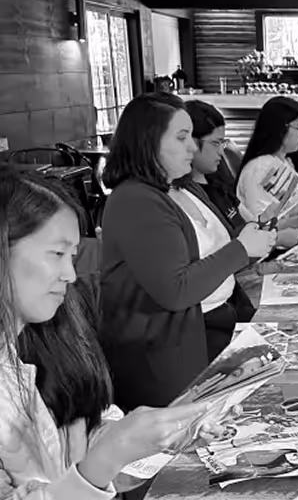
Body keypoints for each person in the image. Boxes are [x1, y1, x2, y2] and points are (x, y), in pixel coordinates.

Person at [0, 166, 227, 500]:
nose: (70, 275)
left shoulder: (34, 347)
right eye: (56, 254)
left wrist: (149, 444)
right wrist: (105, 463)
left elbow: (71, 452)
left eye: (73, 256)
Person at [100, 93, 275, 411]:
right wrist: (240, 249)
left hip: (215, 326)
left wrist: (249, 244)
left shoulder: (179, 188)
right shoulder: (135, 201)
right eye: (181, 138)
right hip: (169, 355)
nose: (192, 147)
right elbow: (176, 290)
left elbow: (215, 255)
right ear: (147, 142)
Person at [184, 99, 298, 249]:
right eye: (215, 143)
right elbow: (224, 248)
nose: (221, 151)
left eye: (223, 143)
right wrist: (276, 238)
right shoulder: (261, 166)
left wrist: (293, 221)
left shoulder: (219, 185)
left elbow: (254, 225)